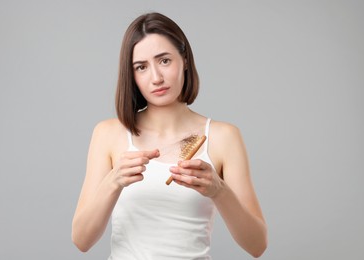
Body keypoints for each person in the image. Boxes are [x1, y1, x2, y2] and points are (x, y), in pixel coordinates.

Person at [72, 12, 267, 259]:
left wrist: (219, 191)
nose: (156, 78)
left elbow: (257, 245)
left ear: (184, 60)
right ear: (132, 76)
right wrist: (114, 181)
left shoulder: (224, 137)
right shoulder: (108, 134)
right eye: (141, 67)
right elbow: (81, 240)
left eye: (164, 61)